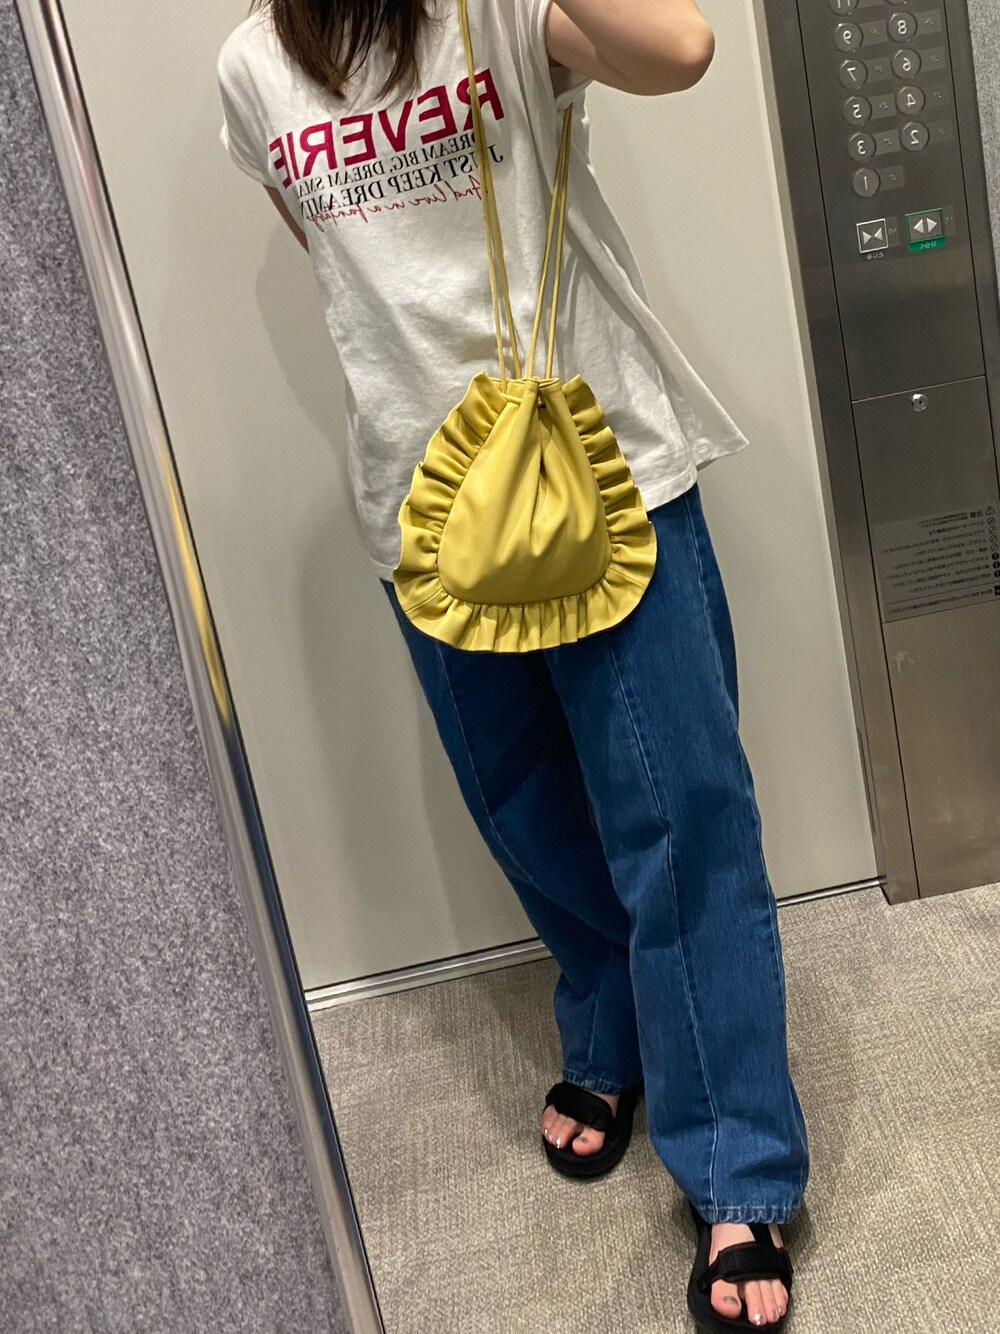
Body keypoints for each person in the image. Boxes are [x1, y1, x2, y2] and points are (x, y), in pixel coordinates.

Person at [218, 0, 808, 1327]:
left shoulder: (499, 11)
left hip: (603, 475)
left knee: (684, 819)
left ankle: (740, 1167)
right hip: (424, 505)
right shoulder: (252, 67)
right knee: (525, 806)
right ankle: (617, 1031)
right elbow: (338, 264)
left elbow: (680, 51)